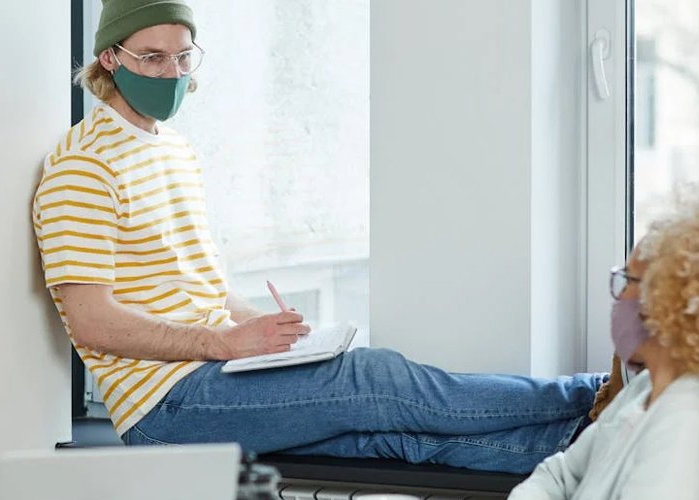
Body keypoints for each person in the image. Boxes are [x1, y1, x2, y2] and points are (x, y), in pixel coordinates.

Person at [33, 0, 609, 474]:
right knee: (374, 377)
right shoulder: (83, 167)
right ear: (110, 58)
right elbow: (92, 321)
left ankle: (595, 447)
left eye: (184, 58)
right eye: (153, 59)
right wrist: (226, 344)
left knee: (398, 440)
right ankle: (594, 393)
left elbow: (201, 289)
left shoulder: (172, 150)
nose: (173, 75)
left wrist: (268, 332)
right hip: (167, 409)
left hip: (212, 378)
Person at [510, 188, 699, 498]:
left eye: (628, 280)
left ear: (666, 299)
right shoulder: (644, 388)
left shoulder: (687, 427)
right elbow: (560, 473)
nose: (620, 297)